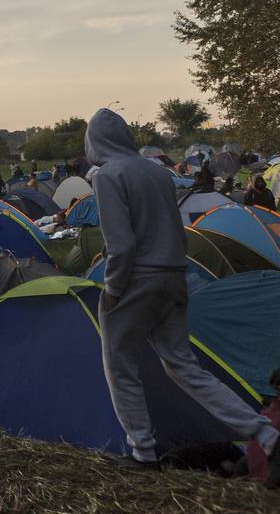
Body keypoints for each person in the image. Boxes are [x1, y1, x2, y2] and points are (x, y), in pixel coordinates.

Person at [87, 107, 280, 472]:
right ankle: (266, 434)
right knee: (185, 367)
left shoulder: (108, 176)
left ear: (94, 142)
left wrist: (112, 287)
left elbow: (121, 243)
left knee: (120, 366)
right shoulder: (158, 172)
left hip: (136, 281)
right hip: (175, 274)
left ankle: (143, 452)